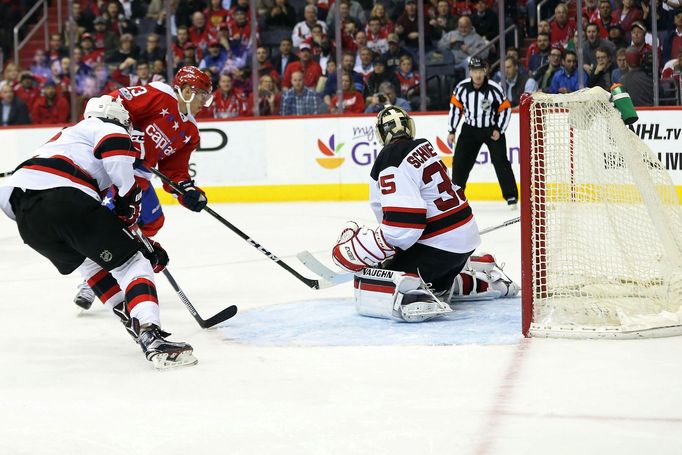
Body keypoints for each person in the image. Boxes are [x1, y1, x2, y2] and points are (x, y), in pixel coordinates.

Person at [0, 95, 195, 369]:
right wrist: (130, 202)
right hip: (64, 200)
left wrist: (140, 239)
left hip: (29, 221)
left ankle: (134, 322)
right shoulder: (106, 127)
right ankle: (152, 336)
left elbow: (106, 218)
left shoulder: (65, 138)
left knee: (94, 267)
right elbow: (116, 159)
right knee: (133, 263)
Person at [330, 105, 518, 322]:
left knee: (370, 281)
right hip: (464, 244)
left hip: (438, 249)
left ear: (381, 134)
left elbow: (404, 226)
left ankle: (415, 295)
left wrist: (360, 249)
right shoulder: (424, 147)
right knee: (436, 279)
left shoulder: (390, 158)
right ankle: (483, 280)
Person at [72, 66, 212, 310]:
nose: (205, 102)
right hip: (114, 169)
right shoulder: (159, 95)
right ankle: (93, 274)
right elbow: (111, 104)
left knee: (152, 221)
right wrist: (124, 139)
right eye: (202, 94)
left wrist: (188, 192)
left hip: (141, 179)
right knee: (110, 220)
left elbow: (174, 171)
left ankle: (111, 262)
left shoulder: (190, 133)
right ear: (188, 91)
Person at [448, 58, 517, 207]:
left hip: (491, 129)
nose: (478, 75)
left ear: (485, 72)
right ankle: (457, 196)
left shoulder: (494, 88)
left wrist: (499, 129)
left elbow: (505, 108)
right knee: (460, 162)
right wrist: (452, 130)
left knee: (500, 161)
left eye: (480, 71)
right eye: (474, 71)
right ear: (470, 72)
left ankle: (511, 196)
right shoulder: (461, 88)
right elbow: (455, 109)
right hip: (470, 129)